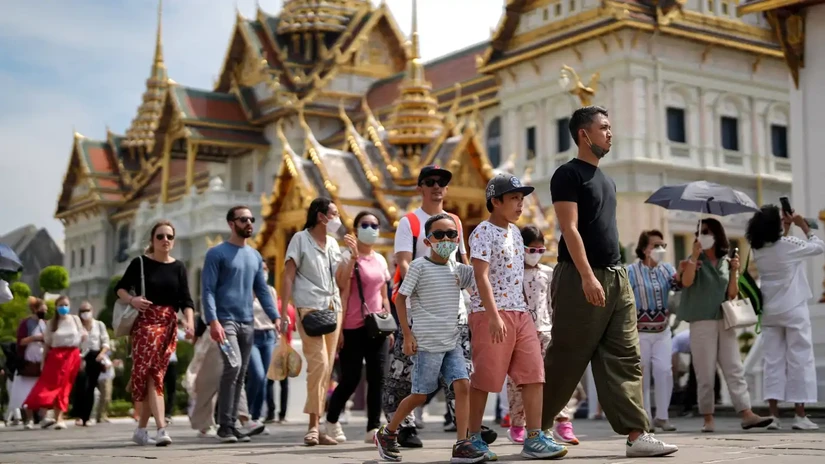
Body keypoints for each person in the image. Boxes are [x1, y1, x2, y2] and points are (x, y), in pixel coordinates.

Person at [544, 106, 677, 457]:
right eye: (603, 128)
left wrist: (613, 275)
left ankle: (637, 434)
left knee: (625, 355)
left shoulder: (607, 179)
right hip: (579, 276)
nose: (610, 133)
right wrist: (587, 275)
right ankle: (535, 428)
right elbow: (569, 228)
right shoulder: (567, 175)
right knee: (568, 356)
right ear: (583, 135)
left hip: (617, 275)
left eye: (610, 127)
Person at [388, 165, 493, 447]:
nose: (437, 187)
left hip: (453, 309)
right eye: (431, 182)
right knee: (407, 376)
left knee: (461, 377)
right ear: (420, 187)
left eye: (442, 183)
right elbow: (404, 262)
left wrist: (474, 297)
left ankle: (467, 434)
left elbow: (465, 263)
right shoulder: (409, 221)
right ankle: (400, 428)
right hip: (417, 307)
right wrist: (420, 291)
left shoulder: (455, 222)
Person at [468, 173, 567, 460]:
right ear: (495, 202)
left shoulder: (514, 232)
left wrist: (522, 309)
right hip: (491, 314)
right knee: (486, 378)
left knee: (534, 374)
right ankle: (472, 439)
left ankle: (534, 437)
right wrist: (493, 314)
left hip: (521, 313)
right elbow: (480, 275)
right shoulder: (482, 232)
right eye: (513, 198)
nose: (520, 204)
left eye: (521, 199)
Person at [375, 213, 484, 463]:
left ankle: (462, 443)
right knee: (420, 395)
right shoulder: (419, 266)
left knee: (463, 385)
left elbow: (482, 279)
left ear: (458, 239)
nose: (446, 239)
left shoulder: (459, 270)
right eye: (439, 234)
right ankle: (388, 432)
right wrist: (408, 334)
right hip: (428, 343)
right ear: (428, 241)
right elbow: (400, 299)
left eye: (451, 234)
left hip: (453, 340)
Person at [678, 218, 773, 432]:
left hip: (725, 320)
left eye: (707, 232)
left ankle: (746, 413)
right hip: (701, 321)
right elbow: (686, 282)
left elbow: (731, 294)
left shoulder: (725, 261)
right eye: (700, 231)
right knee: (705, 372)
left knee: (734, 368)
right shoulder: (693, 259)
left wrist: (734, 272)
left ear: (717, 235)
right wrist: (693, 256)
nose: (703, 235)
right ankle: (708, 418)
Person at [202, 206, 280, 443]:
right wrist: (213, 320)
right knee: (233, 367)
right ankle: (225, 426)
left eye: (251, 219)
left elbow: (263, 290)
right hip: (225, 322)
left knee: (240, 374)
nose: (249, 223)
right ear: (231, 223)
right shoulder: (216, 254)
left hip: (248, 323)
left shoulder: (255, 256)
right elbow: (207, 290)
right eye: (243, 219)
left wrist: (275, 316)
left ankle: (232, 424)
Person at [116, 220, 195, 446]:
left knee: (155, 374)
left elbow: (186, 300)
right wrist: (132, 299)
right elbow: (119, 288)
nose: (165, 240)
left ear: (174, 240)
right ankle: (161, 429)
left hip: (168, 325)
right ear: (152, 240)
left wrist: (189, 323)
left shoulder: (178, 266)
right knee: (154, 375)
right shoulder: (140, 262)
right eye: (160, 236)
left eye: (169, 236)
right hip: (145, 325)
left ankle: (141, 430)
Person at [746, 205, 822, 430]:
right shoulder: (789, 246)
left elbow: (780, 248)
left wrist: (786, 227)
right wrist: (803, 226)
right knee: (800, 359)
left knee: (773, 362)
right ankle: (800, 416)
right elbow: (818, 247)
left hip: (770, 311)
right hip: (793, 309)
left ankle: (774, 415)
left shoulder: (758, 248)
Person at [280, 198, 343, 446]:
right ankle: (313, 427)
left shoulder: (334, 243)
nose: (338, 219)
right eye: (334, 214)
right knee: (319, 364)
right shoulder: (300, 239)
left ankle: (320, 424)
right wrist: (285, 310)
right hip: (308, 307)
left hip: (333, 308)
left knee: (326, 370)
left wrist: (352, 255)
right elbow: (288, 276)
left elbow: (341, 279)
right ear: (320, 216)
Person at [325, 211, 392, 444]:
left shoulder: (381, 260)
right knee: (350, 378)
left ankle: (373, 428)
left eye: (374, 225)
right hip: (352, 326)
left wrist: (389, 322)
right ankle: (331, 420)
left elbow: (384, 295)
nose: (370, 228)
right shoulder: (346, 257)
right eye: (365, 224)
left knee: (378, 378)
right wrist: (352, 257)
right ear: (355, 229)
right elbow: (340, 285)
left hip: (378, 327)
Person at [509, 225, 579, 445]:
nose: (536, 254)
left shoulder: (548, 273)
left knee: (555, 377)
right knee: (518, 381)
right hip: (519, 333)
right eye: (532, 249)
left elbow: (552, 303)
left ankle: (563, 422)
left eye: (540, 250)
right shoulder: (511, 272)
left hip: (546, 330)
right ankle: (518, 424)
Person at [626, 230, 678, 432]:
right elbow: (625, 298)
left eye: (663, 245)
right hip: (639, 332)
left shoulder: (667, 269)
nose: (660, 249)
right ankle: (644, 419)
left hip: (662, 330)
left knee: (664, 371)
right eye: (656, 245)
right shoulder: (631, 271)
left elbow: (679, 285)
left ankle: (663, 417)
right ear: (644, 249)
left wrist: (685, 270)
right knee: (642, 374)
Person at [23, 295, 86, 430]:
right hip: (56, 357)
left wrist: (82, 356)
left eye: (66, 305)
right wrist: (43, 361)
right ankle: (41, 412)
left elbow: (82, 337)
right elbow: (47, 344)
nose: (63, 308)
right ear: (56, 307)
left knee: (65, 387)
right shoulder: (52, 323)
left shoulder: (75, 320)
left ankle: (59, 418)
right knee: (48, 385)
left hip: (72, 356)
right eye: (60, 305)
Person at [245, 261, 280, 432]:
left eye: (266, 270)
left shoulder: (270, 291)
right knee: (257, 375)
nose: (264, 272)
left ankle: (256, 419)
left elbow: (274, 313)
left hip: (268, 335)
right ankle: (245, 415)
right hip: (252, 336)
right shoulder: (246, 291)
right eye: (261, 270)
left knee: (265, 379)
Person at [10, 298, 47, 429]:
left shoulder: (45, 324)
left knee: (42, 390)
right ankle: (29, 419)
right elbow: (20, 342)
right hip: (28, 361)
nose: (44, 312)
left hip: (42, 361)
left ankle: (43, 417)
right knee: (27, 391)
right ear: (35, 309)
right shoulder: (26, 323)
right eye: (42, 309)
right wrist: (35, 338)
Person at [74, 301, 110, 426]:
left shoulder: (99, 325)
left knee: (90, 387)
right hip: (81, 357)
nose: (85, 313)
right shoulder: (77, 326)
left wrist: (102, 354)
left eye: (87, 310)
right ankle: (78, 415)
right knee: (81, 386)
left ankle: (87, 417)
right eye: (83, 311)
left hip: (95, 357)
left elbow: (105, 342)